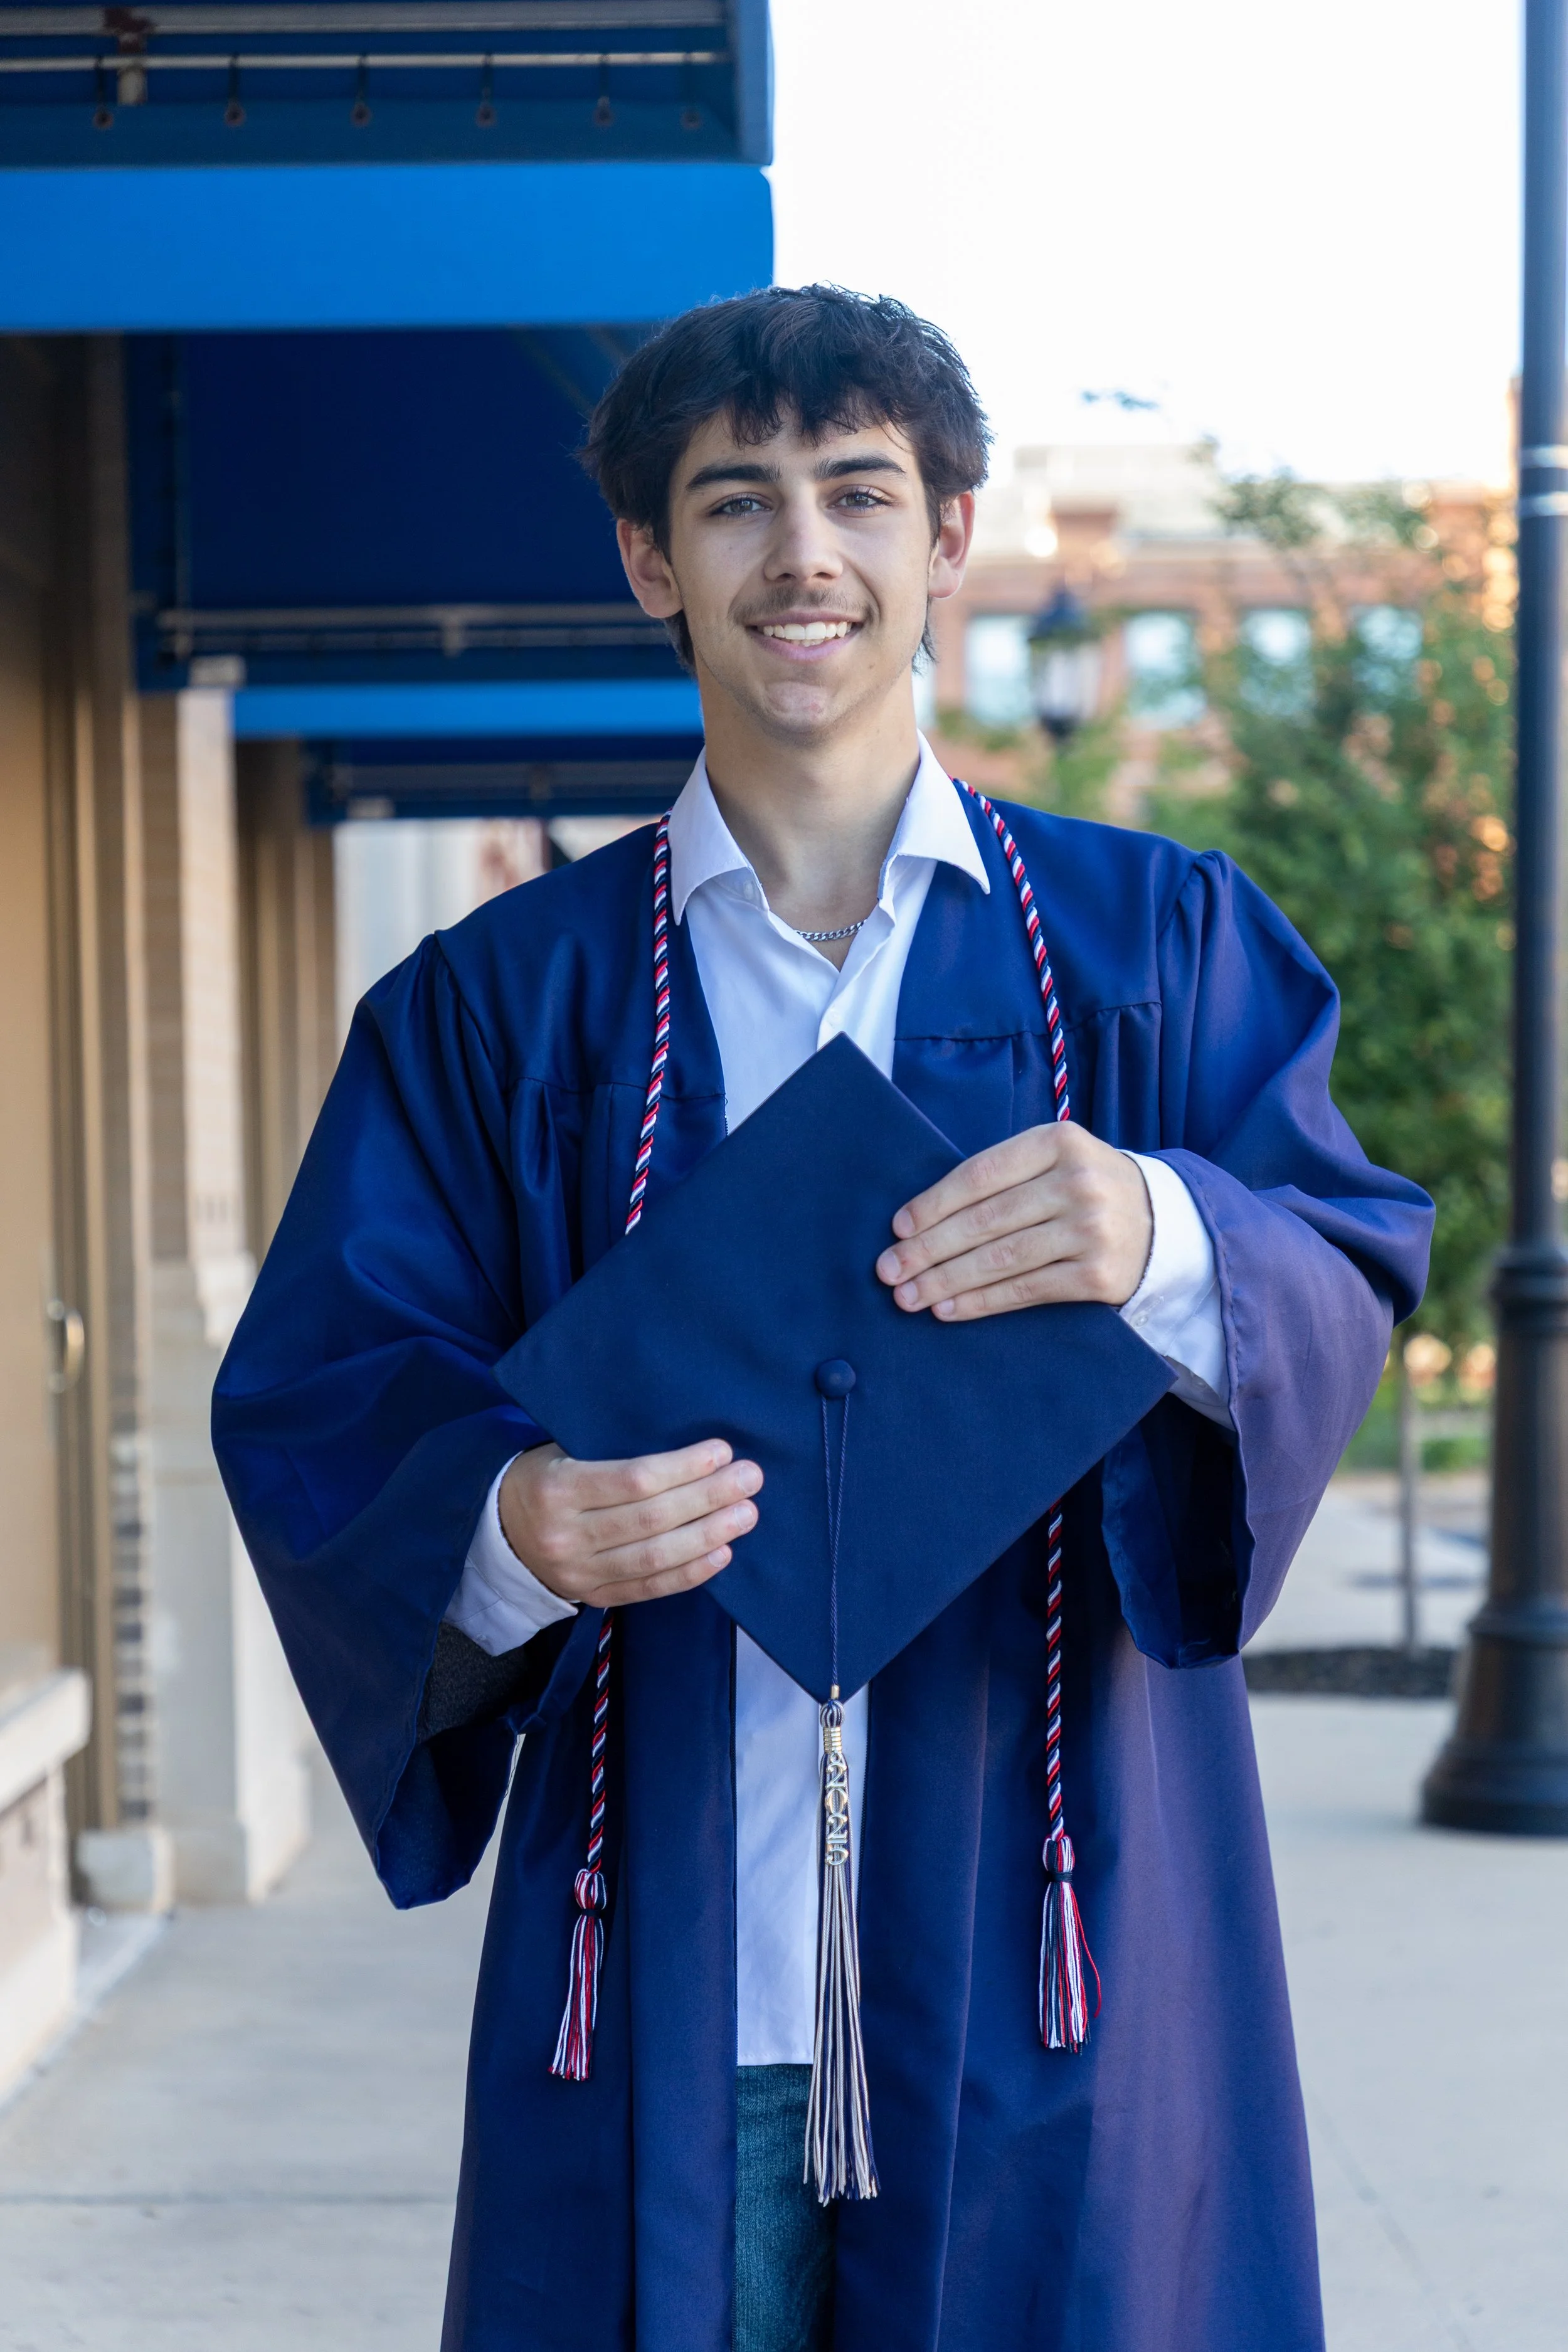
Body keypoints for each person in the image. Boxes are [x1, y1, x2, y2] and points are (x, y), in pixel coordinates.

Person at [213, 285, 1432, 2352]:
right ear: (645, 559)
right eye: (734, 503)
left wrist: (1159, 1222)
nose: (804, 556)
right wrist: (511, 1529)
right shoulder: (500, 1014)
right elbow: (331, 1391)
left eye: (861, 494)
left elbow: (1343, 1251)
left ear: (949, 535)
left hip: (1065, 1951)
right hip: (675, 1953)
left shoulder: (1150, 948)